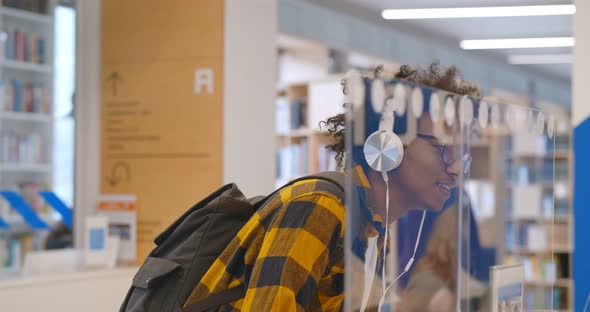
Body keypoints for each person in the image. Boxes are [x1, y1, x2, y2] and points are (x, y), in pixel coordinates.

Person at [183, 62, 480, 311]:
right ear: (389, 144)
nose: (456, 169)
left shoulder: (372, 227)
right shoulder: (319, 208)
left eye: (461, 155)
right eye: (445, 149)